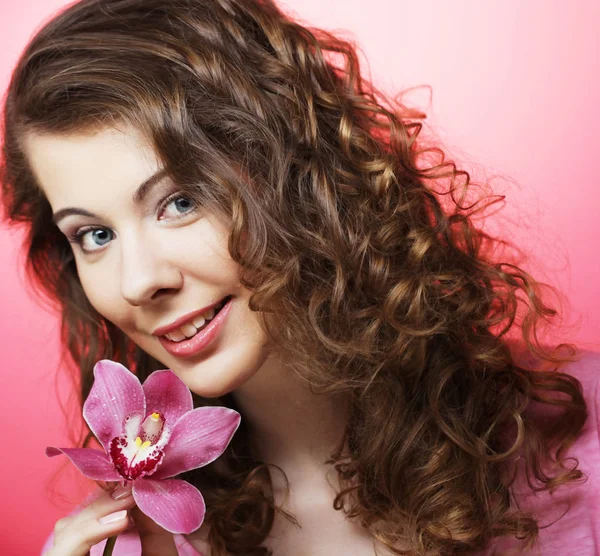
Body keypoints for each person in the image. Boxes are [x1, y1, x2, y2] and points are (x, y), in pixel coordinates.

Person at [1, 0, 598, 554]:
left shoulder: (578, 446)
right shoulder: (137, 541)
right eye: (95, 235)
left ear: (294, 179)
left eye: (181, 201)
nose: (137, 282)